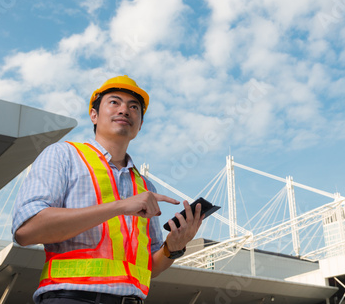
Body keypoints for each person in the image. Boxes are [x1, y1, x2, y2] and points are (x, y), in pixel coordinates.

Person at [12, 75, 202, 304]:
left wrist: (174, 247)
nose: (125, 110)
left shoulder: (145, 187)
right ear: (94, 114)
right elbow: (26, 230)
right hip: (70, 298)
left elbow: (149, 267)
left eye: (134, 107)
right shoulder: (64, 155)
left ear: (140, 125)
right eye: (114, 102)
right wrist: (120, 206)